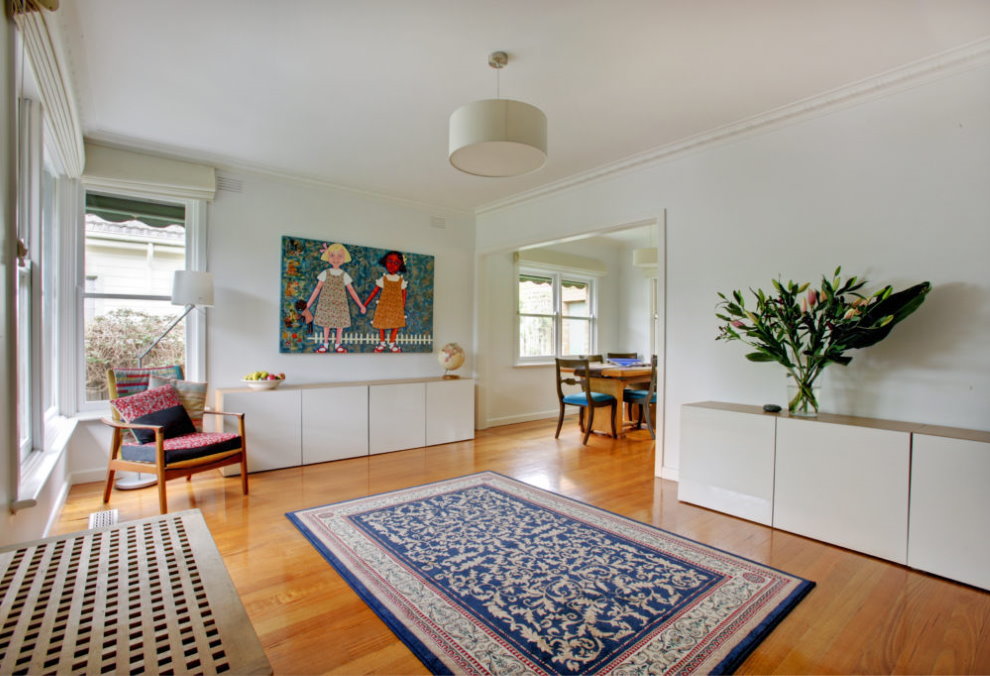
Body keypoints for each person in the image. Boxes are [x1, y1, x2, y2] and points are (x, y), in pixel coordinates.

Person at [302, 243, 366, 353]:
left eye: (339, 256)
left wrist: (361, 305)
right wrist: (307, 305)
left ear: (344, 258)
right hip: (326, 304)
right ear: (328, 258)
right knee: (326, 325)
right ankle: (325, 344)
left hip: (340, 304)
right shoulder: (325, 273)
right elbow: (317, 289)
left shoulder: (344, 275)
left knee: (339, 325)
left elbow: (351, 290)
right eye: (333, 255)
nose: (336, 259)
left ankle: (338, 345)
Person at [364, 250, 408, 352]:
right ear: (385, 262)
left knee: (395, 325)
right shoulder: (383, 279)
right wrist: (365, 304)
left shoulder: (400, 280)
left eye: (396, 263)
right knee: (382, 325)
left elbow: (404, 295)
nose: (392, 265)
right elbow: (374, 292)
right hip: (384, 306)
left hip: (396, 307)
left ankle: (392, 344)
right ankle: (382, 343)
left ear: (400, 266)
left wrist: (402, 307)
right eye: (390, 261)